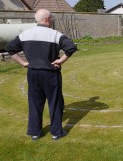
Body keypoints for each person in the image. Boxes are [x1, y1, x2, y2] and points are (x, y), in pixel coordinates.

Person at [6, 9, 77, 140]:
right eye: (51, 18)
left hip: (33, 74)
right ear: (46, 19)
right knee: (54, 103)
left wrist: (23, 63)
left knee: (34, 103)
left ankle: (35, 132)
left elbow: (10, 48)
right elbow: (71, 47)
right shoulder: (55, 34)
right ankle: (56, 133)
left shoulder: (25, 34)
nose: (52, 20)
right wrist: (60, 61)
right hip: (51, 74)